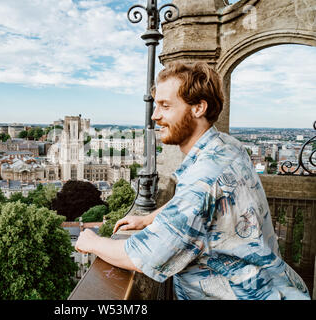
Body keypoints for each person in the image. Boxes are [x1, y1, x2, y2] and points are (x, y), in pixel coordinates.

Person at [75, 61, 310, 300]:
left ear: (198, 108)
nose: (155, 116)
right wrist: (148, 218)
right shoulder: (229, 147)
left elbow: (142, 256)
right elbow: (202, 204)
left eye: (165, 106)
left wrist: (92, 241)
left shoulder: (204, 178)